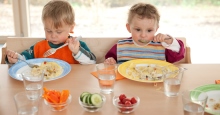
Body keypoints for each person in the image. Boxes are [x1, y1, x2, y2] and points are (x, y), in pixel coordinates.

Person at [6, 0, 96, 64]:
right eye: (48, 31)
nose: (53, 36)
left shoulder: (77, 46)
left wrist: (77, 51)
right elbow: (24, 60)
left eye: (58, 32)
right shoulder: (38, 47)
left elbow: (92, 62)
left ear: (71, 28)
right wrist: (16, 59)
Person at [104, 3, 185, 64]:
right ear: (129, 28)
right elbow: (109, 60)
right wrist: (110, 61)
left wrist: (169, 40)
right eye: (138, 29)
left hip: (154, 85)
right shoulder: (120, 46)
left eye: (149, 30)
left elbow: (178, 56)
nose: (143, 35)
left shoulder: (161, 46)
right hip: (127, 84)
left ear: (156, 29)